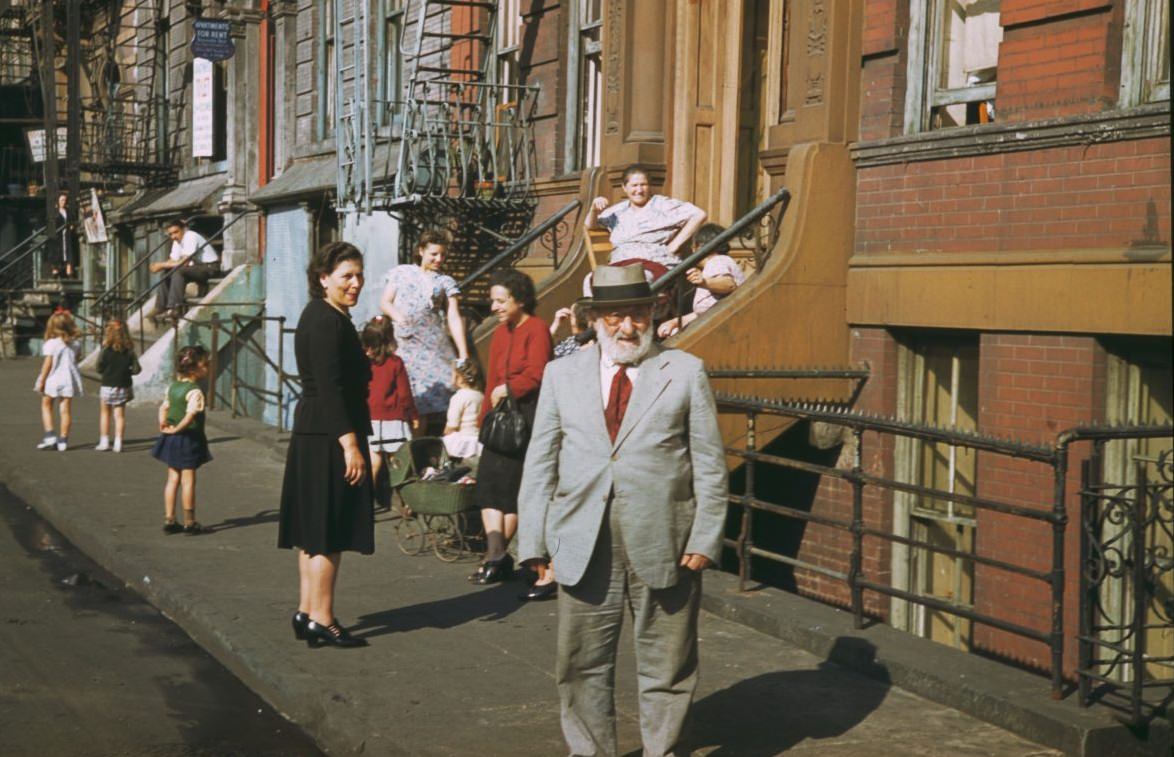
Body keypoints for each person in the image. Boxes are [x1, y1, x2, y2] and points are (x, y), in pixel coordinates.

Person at [517, 264, 729, 756]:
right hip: (582, 540)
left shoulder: (685, 371)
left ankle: (664, 749)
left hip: (666, 538)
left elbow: (711, 465)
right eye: (614, 317)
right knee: (581, 661)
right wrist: (532, 541)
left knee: (668, 661)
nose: (626, 327)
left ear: (652, 313)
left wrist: (705, 537)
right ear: (594, 319)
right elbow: (541, 462)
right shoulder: (560, 374)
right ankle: (590, 751)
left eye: (635, 314)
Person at [279, 241, 374, 649]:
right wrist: (350, 445)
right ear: (323, 279)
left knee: (313, 531)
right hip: (330, 436)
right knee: (329, 533)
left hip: (317, 432)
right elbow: (332, 389)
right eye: (346, 277)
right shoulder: (326, 321)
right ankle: (323, 617)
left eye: (358, 275)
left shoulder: (326, 317)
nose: (355, 283)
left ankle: (306, 612)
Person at [468, 268, 555, 602]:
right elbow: (491, 380)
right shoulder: (502, 332)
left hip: (525, 417)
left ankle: (497, 558)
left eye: (501, 300)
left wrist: (510, 388)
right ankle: (495, 553)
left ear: (520, 299)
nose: (495, 307)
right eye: (493, 300)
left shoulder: (537, 329)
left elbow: (538, 372)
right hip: (499, 417)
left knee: (514, 489)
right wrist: (483, 417)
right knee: (489, 484)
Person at [379, 230, 470, 433]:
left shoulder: (445, 281)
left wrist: (463, 354)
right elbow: (385, 302)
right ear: (421, 251)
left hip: (433, 347)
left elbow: (453, 317)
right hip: (405, 345)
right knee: (408, 398)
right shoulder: (401, 273)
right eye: (434, 254)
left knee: (436, 399)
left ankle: (427, 452)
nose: (439, 259)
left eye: (442, 255)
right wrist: (400, 318)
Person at [583, 164, 707, 269]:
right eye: (634, 185)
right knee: (590, 282)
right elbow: (590, 226)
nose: (639, 190)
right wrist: (593, 209)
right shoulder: (617, 211)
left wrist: (674, 245)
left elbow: (699, 214)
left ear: (649, 186)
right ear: (624, 188)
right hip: (619, 266)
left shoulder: (662, 205)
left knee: (634, 281)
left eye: (643, 184)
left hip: (652, 263)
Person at [150, 345, 212, 535]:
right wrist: (179, 427)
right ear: (194, 370)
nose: (207, 368)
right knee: (188, 481)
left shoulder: (173, 387)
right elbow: (190, 415)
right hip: (188, 439)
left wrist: (164, 424)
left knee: (172, 479)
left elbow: (164, 407)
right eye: (205, 365)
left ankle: (169, 518)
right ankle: (189, 521)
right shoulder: (195, 392)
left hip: (171, 439)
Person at [361, 315, 418, 508]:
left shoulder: (363, 364)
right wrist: (413, 415)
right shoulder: (396, 363)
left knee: (373, 463)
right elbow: (404, 394)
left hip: (370, 420)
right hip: (394, 421)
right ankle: (405, 502)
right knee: (398, 464)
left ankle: (364, 502)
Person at [657, 222, 746, 338]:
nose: (692, 250)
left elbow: (729, 284)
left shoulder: (717, 261)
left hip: (721, 325)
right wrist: (674, 322)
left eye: (694, 246)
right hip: (712, 321)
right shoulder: (716, 263)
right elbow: (704, 310)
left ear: (700, 246)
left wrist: (705, 282)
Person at [33, 309, 84, 452]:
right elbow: (77, 359)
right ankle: (63, 440)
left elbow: (47, 365)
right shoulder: (76, 344)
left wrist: (41, 380)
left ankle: (50, 436)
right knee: (65, 410)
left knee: (46, 405)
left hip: (53, 378)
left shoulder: (51, 343)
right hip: (69, 379)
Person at [150, 219, 220, 319]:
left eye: (176, 232)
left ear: (184, 229)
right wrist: (159, 266)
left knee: (179, 271)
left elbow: (184, 262)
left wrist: (161, 265)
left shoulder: (190, 236)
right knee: (166, 273)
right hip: (196, 268)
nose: (173, 236)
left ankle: (175, 308)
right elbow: (173, 260)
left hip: (210, 268)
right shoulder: (177, 241)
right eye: (170, 234)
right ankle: (161, 307)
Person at [96, 318, 141, 452]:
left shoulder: (105, 350)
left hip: (107, 385)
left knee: (105, 413)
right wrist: (127, 371)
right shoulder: (129, 351)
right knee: (119, 415)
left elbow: (99, 368)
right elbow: (137, 369)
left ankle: (104, 441)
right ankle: (118, 442)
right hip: (123, 386)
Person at [442, 360, 484, 460]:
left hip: (463, 440)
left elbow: (453, 425)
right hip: (478, 440)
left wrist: (444, 433)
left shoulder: (458, 397)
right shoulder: (480, 395)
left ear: (460, 379)